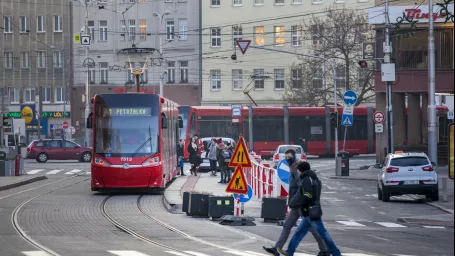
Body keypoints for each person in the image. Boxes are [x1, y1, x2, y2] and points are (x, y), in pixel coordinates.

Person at [263, 149, 329, 256]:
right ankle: (277, 248)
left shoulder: (297, 169)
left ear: (294, 157)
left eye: (289, 157)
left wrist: (294, 201)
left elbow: (301, 188)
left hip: (300, 204)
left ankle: (325, 250)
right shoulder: (293, 167)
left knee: (312, 228)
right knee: (287, 225)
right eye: (286, 157)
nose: (287, 159)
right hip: (296, 205)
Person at [283, 161, 341, 256]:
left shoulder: (306, 179)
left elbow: (307, 194)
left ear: (301, 170)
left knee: (323, 233)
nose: (297, 172)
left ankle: (336, 252)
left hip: (310, 211)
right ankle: (289, 251)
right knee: (299, 232)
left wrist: (304, 207)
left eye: (298, 170)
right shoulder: (314, 178)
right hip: (312, 210)